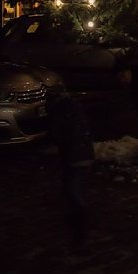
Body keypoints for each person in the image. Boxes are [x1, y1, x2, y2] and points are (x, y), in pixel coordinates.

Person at [47, 88, 95, 247]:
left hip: (74, 156)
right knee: (72, 184)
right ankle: (76, 215)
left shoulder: (59, 112)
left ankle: (80, 221)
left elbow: (58, 134)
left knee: (73, 188)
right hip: (83, 153)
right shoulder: (73, 107)